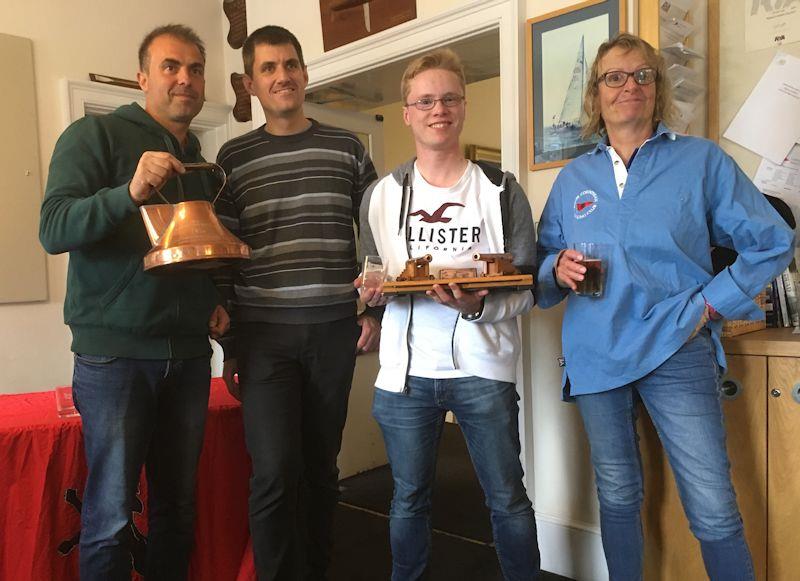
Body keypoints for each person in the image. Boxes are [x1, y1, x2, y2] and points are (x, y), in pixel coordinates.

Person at [535, 33, 794, 580]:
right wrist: (554, 268)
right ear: (595, 95)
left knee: (712, 505)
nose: (629, 85)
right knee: (618, 494)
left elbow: (773, 239)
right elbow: (544, 270)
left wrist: (709, 304)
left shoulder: (700, 161)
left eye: (641, 75)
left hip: (677, 346)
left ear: (656, 88)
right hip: (595, 355)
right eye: (614, 77)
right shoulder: (571, 179)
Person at [39, 25, 229, 581]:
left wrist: (211, 298)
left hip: (191, 357)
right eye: (171, 66)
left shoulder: (198, 159)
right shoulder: (93, 136)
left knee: (177, 507)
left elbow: (186, 249)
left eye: (195, 69)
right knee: (109, 515)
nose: (185, 79)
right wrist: (128, 193)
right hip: (115, 358)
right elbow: (53, 228)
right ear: (142, 77)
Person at [358, 48, 541, 580]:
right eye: (425, 100)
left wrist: (478, 305)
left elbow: (528, 287)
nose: (439, 109)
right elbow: (375, 275)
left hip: (483, 370)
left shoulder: (501, 188)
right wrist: (371, 295)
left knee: (507, 499)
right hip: (404, 376)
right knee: (408, 499)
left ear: (462, 106)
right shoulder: (381, 196)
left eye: (449, 98)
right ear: (407, 112)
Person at [213, 25, 380, 580]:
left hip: (334, 331)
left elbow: (382, 237)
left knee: (320, 469)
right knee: (273, 473)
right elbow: (225, 260)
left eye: (290, 64)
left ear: (305, 73)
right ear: (251, 84)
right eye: (268, 68)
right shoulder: (231, 158)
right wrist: (231, 346)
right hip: (263, 338)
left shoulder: (348, 148)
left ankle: (317, 568)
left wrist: (375, 311)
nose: (282, 76)